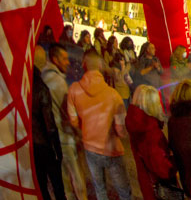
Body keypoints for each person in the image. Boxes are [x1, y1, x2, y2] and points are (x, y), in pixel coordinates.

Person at [67, 51, 131, 200]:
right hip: (112, 150)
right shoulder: (114, 95)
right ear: (101, 66)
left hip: (89, 147)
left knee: (100, 188)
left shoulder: (74, 89)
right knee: (123, 191)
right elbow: (121, 132)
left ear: (84, 65)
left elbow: (74, 121)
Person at [41, 44, 87, 200]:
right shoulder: (58, 82)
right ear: (55, 59)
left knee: (64, 179)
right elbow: (68, 113)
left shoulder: (43, 76)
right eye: (64, 59)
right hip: (65, 138)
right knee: (76, 174)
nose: (68, 62)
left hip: (52, 137)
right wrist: (78, 133)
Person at [126, 85, 180, 200]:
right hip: (158, 187)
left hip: (146, 182)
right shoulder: (150, 131)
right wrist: (175, 162)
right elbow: (162, 169)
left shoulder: (136, 123)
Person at [32, 61, 66, 200]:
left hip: (32, 144)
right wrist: (57, 149)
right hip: (45, 144)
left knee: (41, 184)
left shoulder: (22, 89)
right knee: (57, 184)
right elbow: (49, 124)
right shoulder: (41, 88)